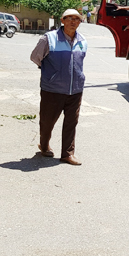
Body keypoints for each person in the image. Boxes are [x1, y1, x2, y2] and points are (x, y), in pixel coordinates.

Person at [30, 9, 88, 166]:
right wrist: (51, 74)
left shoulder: (82, 40)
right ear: (62, 20)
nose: (73, 21)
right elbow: (35, 57)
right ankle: (44, 145)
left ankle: (68, 154)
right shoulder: (49, 38)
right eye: (69, 18)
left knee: (71, 122)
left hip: (75, 89)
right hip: (52, 89)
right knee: (47, 121)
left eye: (76, 19)